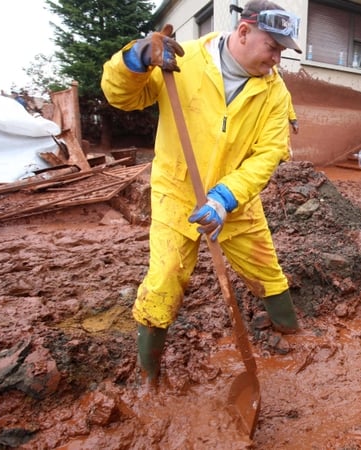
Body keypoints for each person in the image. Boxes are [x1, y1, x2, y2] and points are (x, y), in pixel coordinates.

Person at [101, 0, 303, 385]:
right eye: (273, 47)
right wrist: (134, 60)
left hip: (236, 202)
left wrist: (224, 198)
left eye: (282, 50)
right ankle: (149, 376)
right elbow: (121, 97)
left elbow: (269, 154)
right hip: (176, 195)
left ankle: (292, 335)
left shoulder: (275, 93)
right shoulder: (183, 62)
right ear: (243, 32)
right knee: (164, 280)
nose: (277, 59)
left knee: (267, 271)